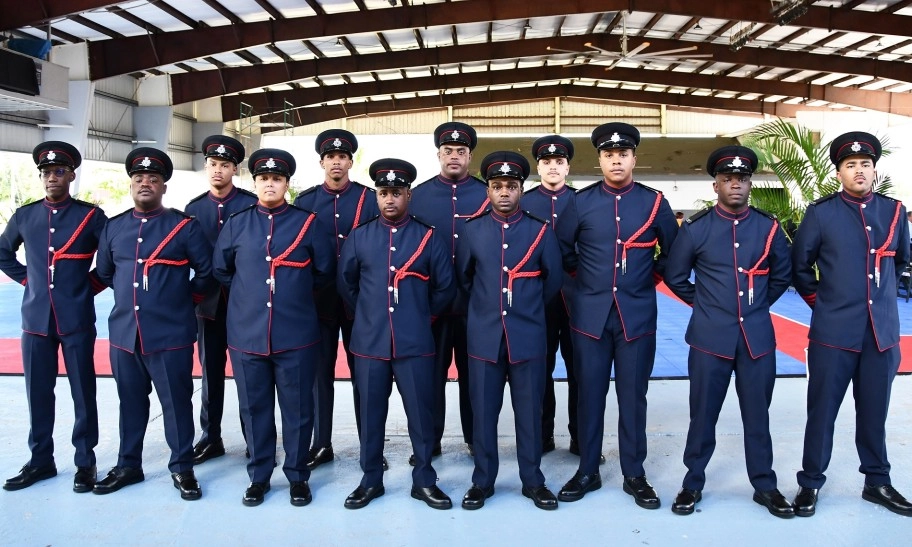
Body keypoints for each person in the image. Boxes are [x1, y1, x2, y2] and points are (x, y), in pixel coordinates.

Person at [664, 146, 794, 518]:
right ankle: (692, 482)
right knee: (702, 414)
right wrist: (707, 305)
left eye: (742, 179)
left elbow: (782, 274)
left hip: (756, 339)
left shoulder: (768, 227)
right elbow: (676, 276)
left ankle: (765, 485)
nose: (735, 184)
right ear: (716, 184)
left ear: (750, 183)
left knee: (758, 415)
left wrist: (752, 308)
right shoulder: (697, 227)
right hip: (709, 340)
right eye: (728, 179)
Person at [555, 123, 678, 509]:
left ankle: (634, 474)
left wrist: (646, 278)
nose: (616, 159)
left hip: (636, 317)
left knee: (633, 397)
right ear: (600, 159)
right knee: (589, 396)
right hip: (589, 317)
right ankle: (588, 469)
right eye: (609, 154)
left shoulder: (654, 202)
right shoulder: (580, 202)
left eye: (623, 154)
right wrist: (589, 284)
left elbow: (672, 254)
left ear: (633, 158)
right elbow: (563, 251)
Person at [791, 131, 912, 518]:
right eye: (850, 166)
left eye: (865, 164)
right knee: (822, 411)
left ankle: (877, 482)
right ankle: (810, 483)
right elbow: (800, 268)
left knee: (875, 412)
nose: (859, 171)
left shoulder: (894, 212)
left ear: (874, 169)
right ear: (839, 173)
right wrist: (823, 304)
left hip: (881, 334)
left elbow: (901, 261)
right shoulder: (821, 213)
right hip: (834, 333)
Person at [214, 148, 335, 507]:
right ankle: (259, 476)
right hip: (247, 335)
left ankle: (298, 476)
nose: (270, 184)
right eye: (264, 178)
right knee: (254, 409)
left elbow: (323, 271)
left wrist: (292, 296)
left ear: (286, 184)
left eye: (277, 179)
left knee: (298, 410)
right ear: (254, 183)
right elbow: (222, 270)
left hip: (296, 334)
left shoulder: (306, 223)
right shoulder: (237, 223)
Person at [337, 158, 456, 510]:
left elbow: (444, 288)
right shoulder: (360, 236)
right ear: (377, 195)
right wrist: (370, 315)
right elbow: (347, 283)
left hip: (415, 342)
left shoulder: (427, 237)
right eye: (384, 192)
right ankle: (370, 478)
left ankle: (424, 480)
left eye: (397, 192)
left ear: (408, 195)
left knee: (421, 416)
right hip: (370, 343)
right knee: (371, 415)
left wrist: (420, 318)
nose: (390, 199)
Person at [94, 148, 212, 500]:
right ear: (131, 184)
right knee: (129, 402)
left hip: (171, 334)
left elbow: (206, 274)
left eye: (153, 179)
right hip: (125, 335)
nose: (145, 183)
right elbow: (105, 273)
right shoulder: (114, 227)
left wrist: (180, 303)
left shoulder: (183, 227)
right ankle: (129, 464)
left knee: (176, 404)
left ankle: (182, 468)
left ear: (163, 187)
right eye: (139, 179)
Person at [456, 151, 563, 511]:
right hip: (485, 337)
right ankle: (482, 481)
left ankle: (533, 480)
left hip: (528, 336)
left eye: (512, 186)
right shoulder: (471, 230)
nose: (504, 192)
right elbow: (465, 279)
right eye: (497, 186)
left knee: (529, 413)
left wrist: (526, 310)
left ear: (521, 189)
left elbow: (552, 282)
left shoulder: (539, 230)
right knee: (484, 413)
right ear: (488, 190)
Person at [0, 141, 107, 493]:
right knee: (38, 392)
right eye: (46, 172)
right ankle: (41, 460)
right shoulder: (25, 215)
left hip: (76, 319)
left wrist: (86, 285)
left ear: (71, 175)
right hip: (35, 321)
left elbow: (109, 259)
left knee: (83, 391)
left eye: (58, 171)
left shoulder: (90, 217)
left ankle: (85, 462)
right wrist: (28, 279)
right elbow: (3, 252)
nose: (51, 177)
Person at [293, 129, 379, 470]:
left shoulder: (369, 199)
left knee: (367, 378)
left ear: (350, 161)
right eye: (331, 157)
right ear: (322, 162)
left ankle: (369, 446)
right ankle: (321, 443)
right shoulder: (306, 201)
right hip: (319, 302)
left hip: (361, 302)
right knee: (319, 377)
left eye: (343, 157)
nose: (337, 162)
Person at [410, 122, 489, 463]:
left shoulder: (487, 194)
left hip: (477, 306)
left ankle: (475, 438)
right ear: (438, 155)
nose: (453, 157)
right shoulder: (420, 195)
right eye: (447, 151)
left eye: (460, 151)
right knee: (430, 377)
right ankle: (431, 440)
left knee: (476, 380)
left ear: (470, 156)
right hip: (433, 307)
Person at [185, 135, 257, 464]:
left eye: (225, 165)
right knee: (210, 374)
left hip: (245, 304)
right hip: (209, 306)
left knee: (249, 375)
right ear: (205, 166)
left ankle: (254, 438)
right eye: (213, 164)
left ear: (235, 169)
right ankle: (210, 436)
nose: (218, 170)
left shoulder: (249, 204)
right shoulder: (194, 208)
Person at [521, 135, 578, 454]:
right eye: (546, 162)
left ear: (568, 166)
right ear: (538, 167)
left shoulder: (583, 201)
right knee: (537, 372)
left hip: (578, 302)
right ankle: (542, 436)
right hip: (536, 303)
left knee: (580, 374)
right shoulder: (524, 202)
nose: (553, 167)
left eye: (559, 162)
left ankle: (581, 437)